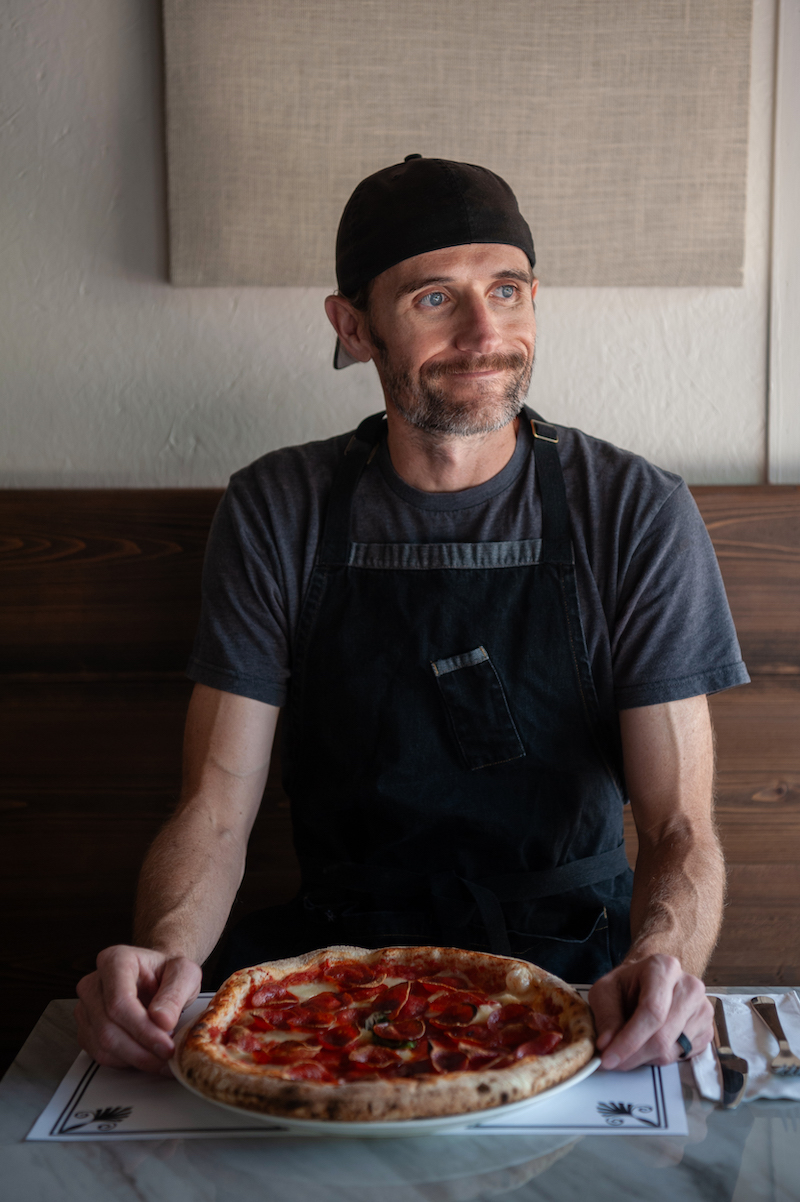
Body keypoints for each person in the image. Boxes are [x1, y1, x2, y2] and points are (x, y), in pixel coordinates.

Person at [76, 155, 748, 1077]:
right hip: (331, 981)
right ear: (353, 327)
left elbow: (681, 828)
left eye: (506, 291)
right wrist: (166, 953)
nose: (485, 333)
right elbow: (215, 812)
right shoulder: (280, 507)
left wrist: (661, 964)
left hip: (578, 980)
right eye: (436, 299)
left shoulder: (632, 508)